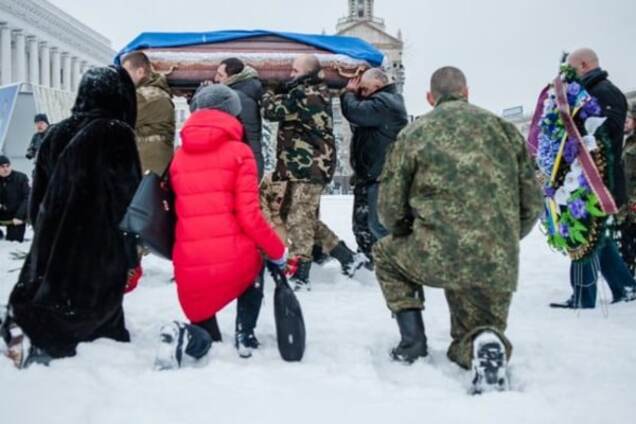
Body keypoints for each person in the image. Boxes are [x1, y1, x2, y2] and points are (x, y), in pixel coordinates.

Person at [373, 66, 542, 392]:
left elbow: (390, 207)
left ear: (430, 98)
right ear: (466, 92)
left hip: (436, 251)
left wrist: (405, 229)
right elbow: (532, 202)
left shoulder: (415, 133)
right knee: (478, 327)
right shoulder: (504, 130)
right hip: (495, 257)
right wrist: (504, 237)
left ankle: (412, 342)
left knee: (385, 254)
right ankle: (485, 341)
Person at [1, 66, 142, 368]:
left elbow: (38, 191)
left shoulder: (55, 132)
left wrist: (42, 230)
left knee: (54, 291)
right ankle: (66, 336)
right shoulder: (117, 133)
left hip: (54, 231)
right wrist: (130, 246)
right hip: (99, 238)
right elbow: (126, 195)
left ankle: (34, 327)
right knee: (93, 304)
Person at [156, 85, 286, 369]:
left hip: (190, 264)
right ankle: (245, 333)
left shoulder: (179, 155)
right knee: (256, 264)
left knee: (203, 317)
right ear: (233, 112)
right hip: (232, 260)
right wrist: (277, 251)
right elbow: (250, 217)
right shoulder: (240, 152)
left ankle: (197, 334)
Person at [263, 54, 363, 290]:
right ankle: (348, 258)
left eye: (295, 71)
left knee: (299, 220)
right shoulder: (308, 91)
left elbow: (270, 110)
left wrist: (269, 89)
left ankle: (299, 274)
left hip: (309, 167)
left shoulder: (306, 94)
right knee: (299, 217)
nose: (290, 75)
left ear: (307, 73)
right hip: (302, 167)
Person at [550, 48, 636, 308]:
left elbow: (605, 137)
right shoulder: (592, 91)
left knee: (584, 232)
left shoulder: (604, 92)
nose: (569, 76)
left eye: (573, 70)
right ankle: (626, 286)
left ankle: (583, 295)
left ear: (585, 65)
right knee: (601, 236)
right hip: (589, 177)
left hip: (596, 180)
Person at [341, 68, 408, 265]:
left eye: (363, 88)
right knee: (362, 225)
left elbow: (355, 112)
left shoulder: (387, 102)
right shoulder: (379, 102)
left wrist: (348, 93)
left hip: (381, 176)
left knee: (378, 225)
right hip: (369, 176)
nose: (360, 92)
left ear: (377, 86)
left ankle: (395, 265)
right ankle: (373, 263)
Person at [122, 51, 175, 175]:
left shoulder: (144, 97)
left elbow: (117, 118)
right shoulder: (157, 92)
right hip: (154, 167)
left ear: (140, 72)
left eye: (126, 73)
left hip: (146, 169)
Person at [215, 57, 265, 180]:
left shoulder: (237, 97)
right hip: (248, 161)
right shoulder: (246, 91)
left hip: (243, 163)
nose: (216, 79)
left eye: (220, 75)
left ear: (232, 77)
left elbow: (249, 136)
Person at [617, 105, 636, 274]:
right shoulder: (629, 141)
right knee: (628, 240)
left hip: (634, 203)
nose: (625, 123)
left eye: (629, 120)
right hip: (628, 205)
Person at [0, 155, 29, 242]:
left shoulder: (21, 178)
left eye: (7, 166)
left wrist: (19, 216)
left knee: (14, 241)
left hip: (18, 215)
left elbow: (27, 198)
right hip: (3, 212)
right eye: (2, 167)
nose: (6, 169)